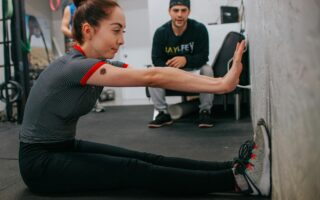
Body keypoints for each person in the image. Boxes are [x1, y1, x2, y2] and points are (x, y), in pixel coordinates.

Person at [19, 0, 270, 196]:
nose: (122, 40)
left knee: (144, 158)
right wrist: (223, 85)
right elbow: (153, 77)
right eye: (116, 30)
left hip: (63, 148)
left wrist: (221, 82)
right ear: (88, 30)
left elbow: (160, 74)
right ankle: (239, 182)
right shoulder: (74, 67)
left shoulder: (97, 64)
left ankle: (234, 168)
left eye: (123, 31)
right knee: (134, 170)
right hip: (40, 164)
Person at [148, 0, 214, 128]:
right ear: (169, 12)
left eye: (183, 10)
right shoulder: (161, 32)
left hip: (192, 69)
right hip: (170, 71)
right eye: (176, 10)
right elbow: (156, 59)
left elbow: (203, 56)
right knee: (151, 70)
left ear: (188, 11)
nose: (179, 14)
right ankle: (162, 113)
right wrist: (171, 70)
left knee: (207, 69)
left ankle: (205, 111)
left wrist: (186, 60)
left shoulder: (199, 29)